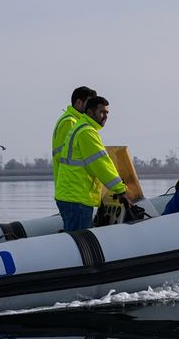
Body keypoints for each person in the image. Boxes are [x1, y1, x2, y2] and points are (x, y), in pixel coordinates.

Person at [54, 96, 128, 231]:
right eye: (101, 112)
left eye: (107, 113)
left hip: (70, 196)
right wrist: (121, 189)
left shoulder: (80, 127)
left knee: (74, 241)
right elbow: (101, 164)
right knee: (79, 245)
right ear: (89, 112)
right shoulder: (86, 132)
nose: (105, 116)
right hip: (76, 198)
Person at [52, 86, 97, 186]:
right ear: (78, 103)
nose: (91, 108)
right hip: (71, 184)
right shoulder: (70, 122)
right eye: (89, 104)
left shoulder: (74, 121)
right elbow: (66, 156)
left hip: (72, 185)